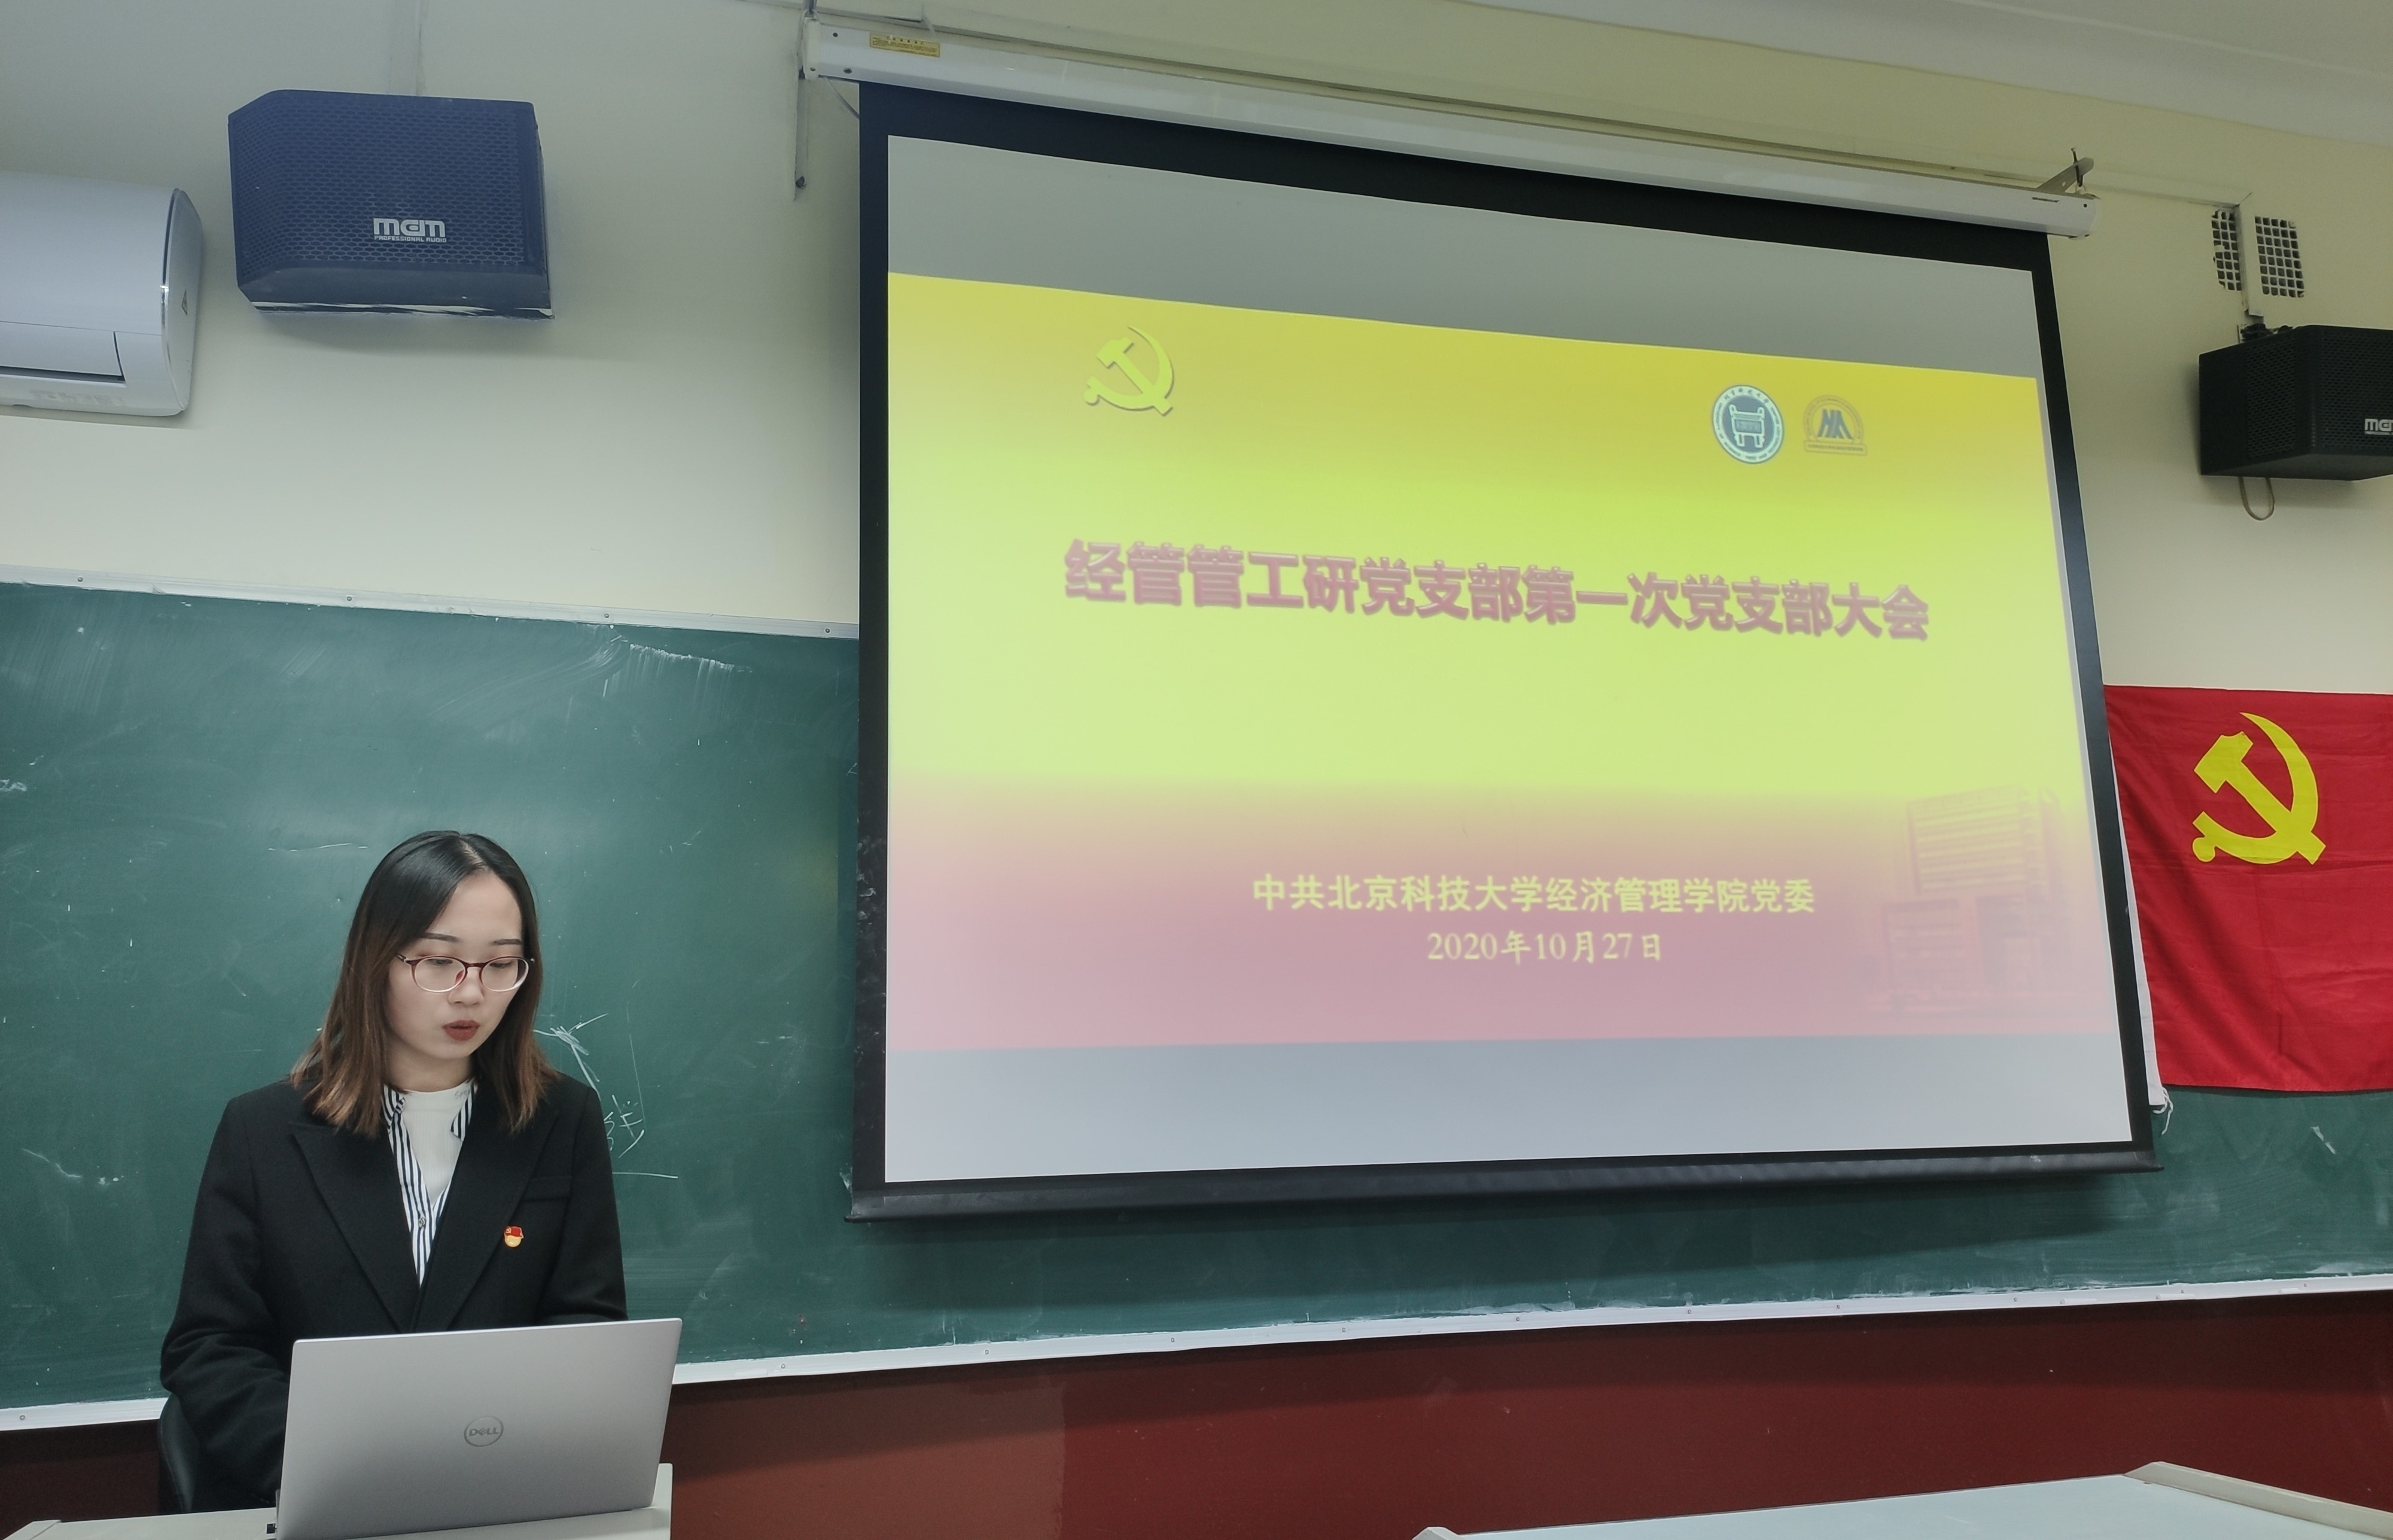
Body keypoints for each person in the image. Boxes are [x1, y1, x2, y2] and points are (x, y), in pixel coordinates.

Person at [160, 831, 625, 1510]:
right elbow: (211, 1346)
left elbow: (585, 1325)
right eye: (439, 962)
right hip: (315, 1496)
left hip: (499, 1496)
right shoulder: (262, 1131)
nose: (471, 994)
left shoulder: (562, 1119)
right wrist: (320, 1467)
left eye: (501, 964)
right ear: (375, 960)